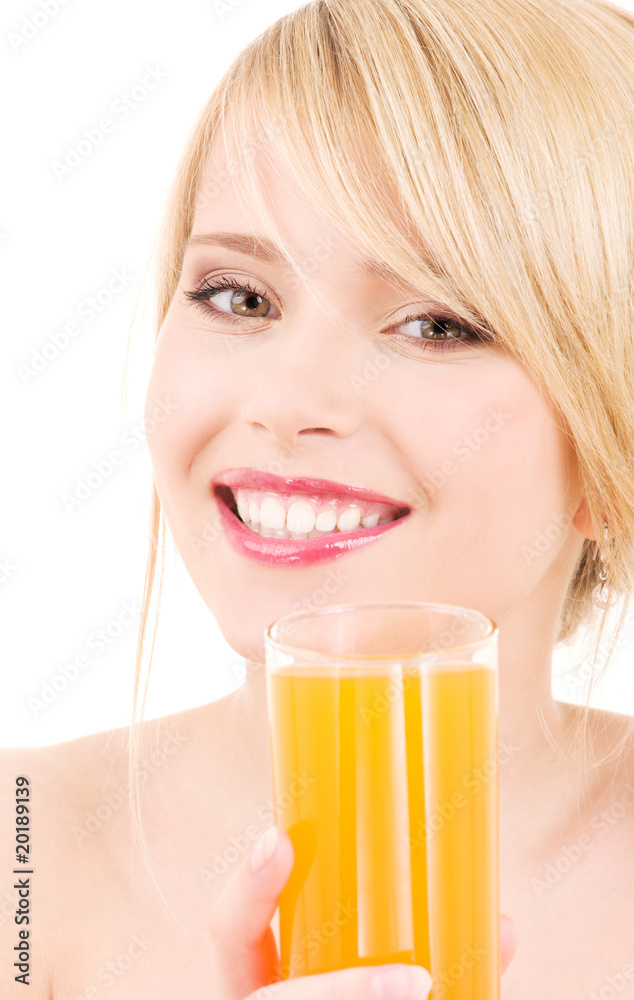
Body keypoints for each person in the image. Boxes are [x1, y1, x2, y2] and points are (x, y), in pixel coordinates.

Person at [3, 0, 634, 994]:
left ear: (610, 444)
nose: (288, 401)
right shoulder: (21, 859)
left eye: (436, 323)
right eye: (241, 297)